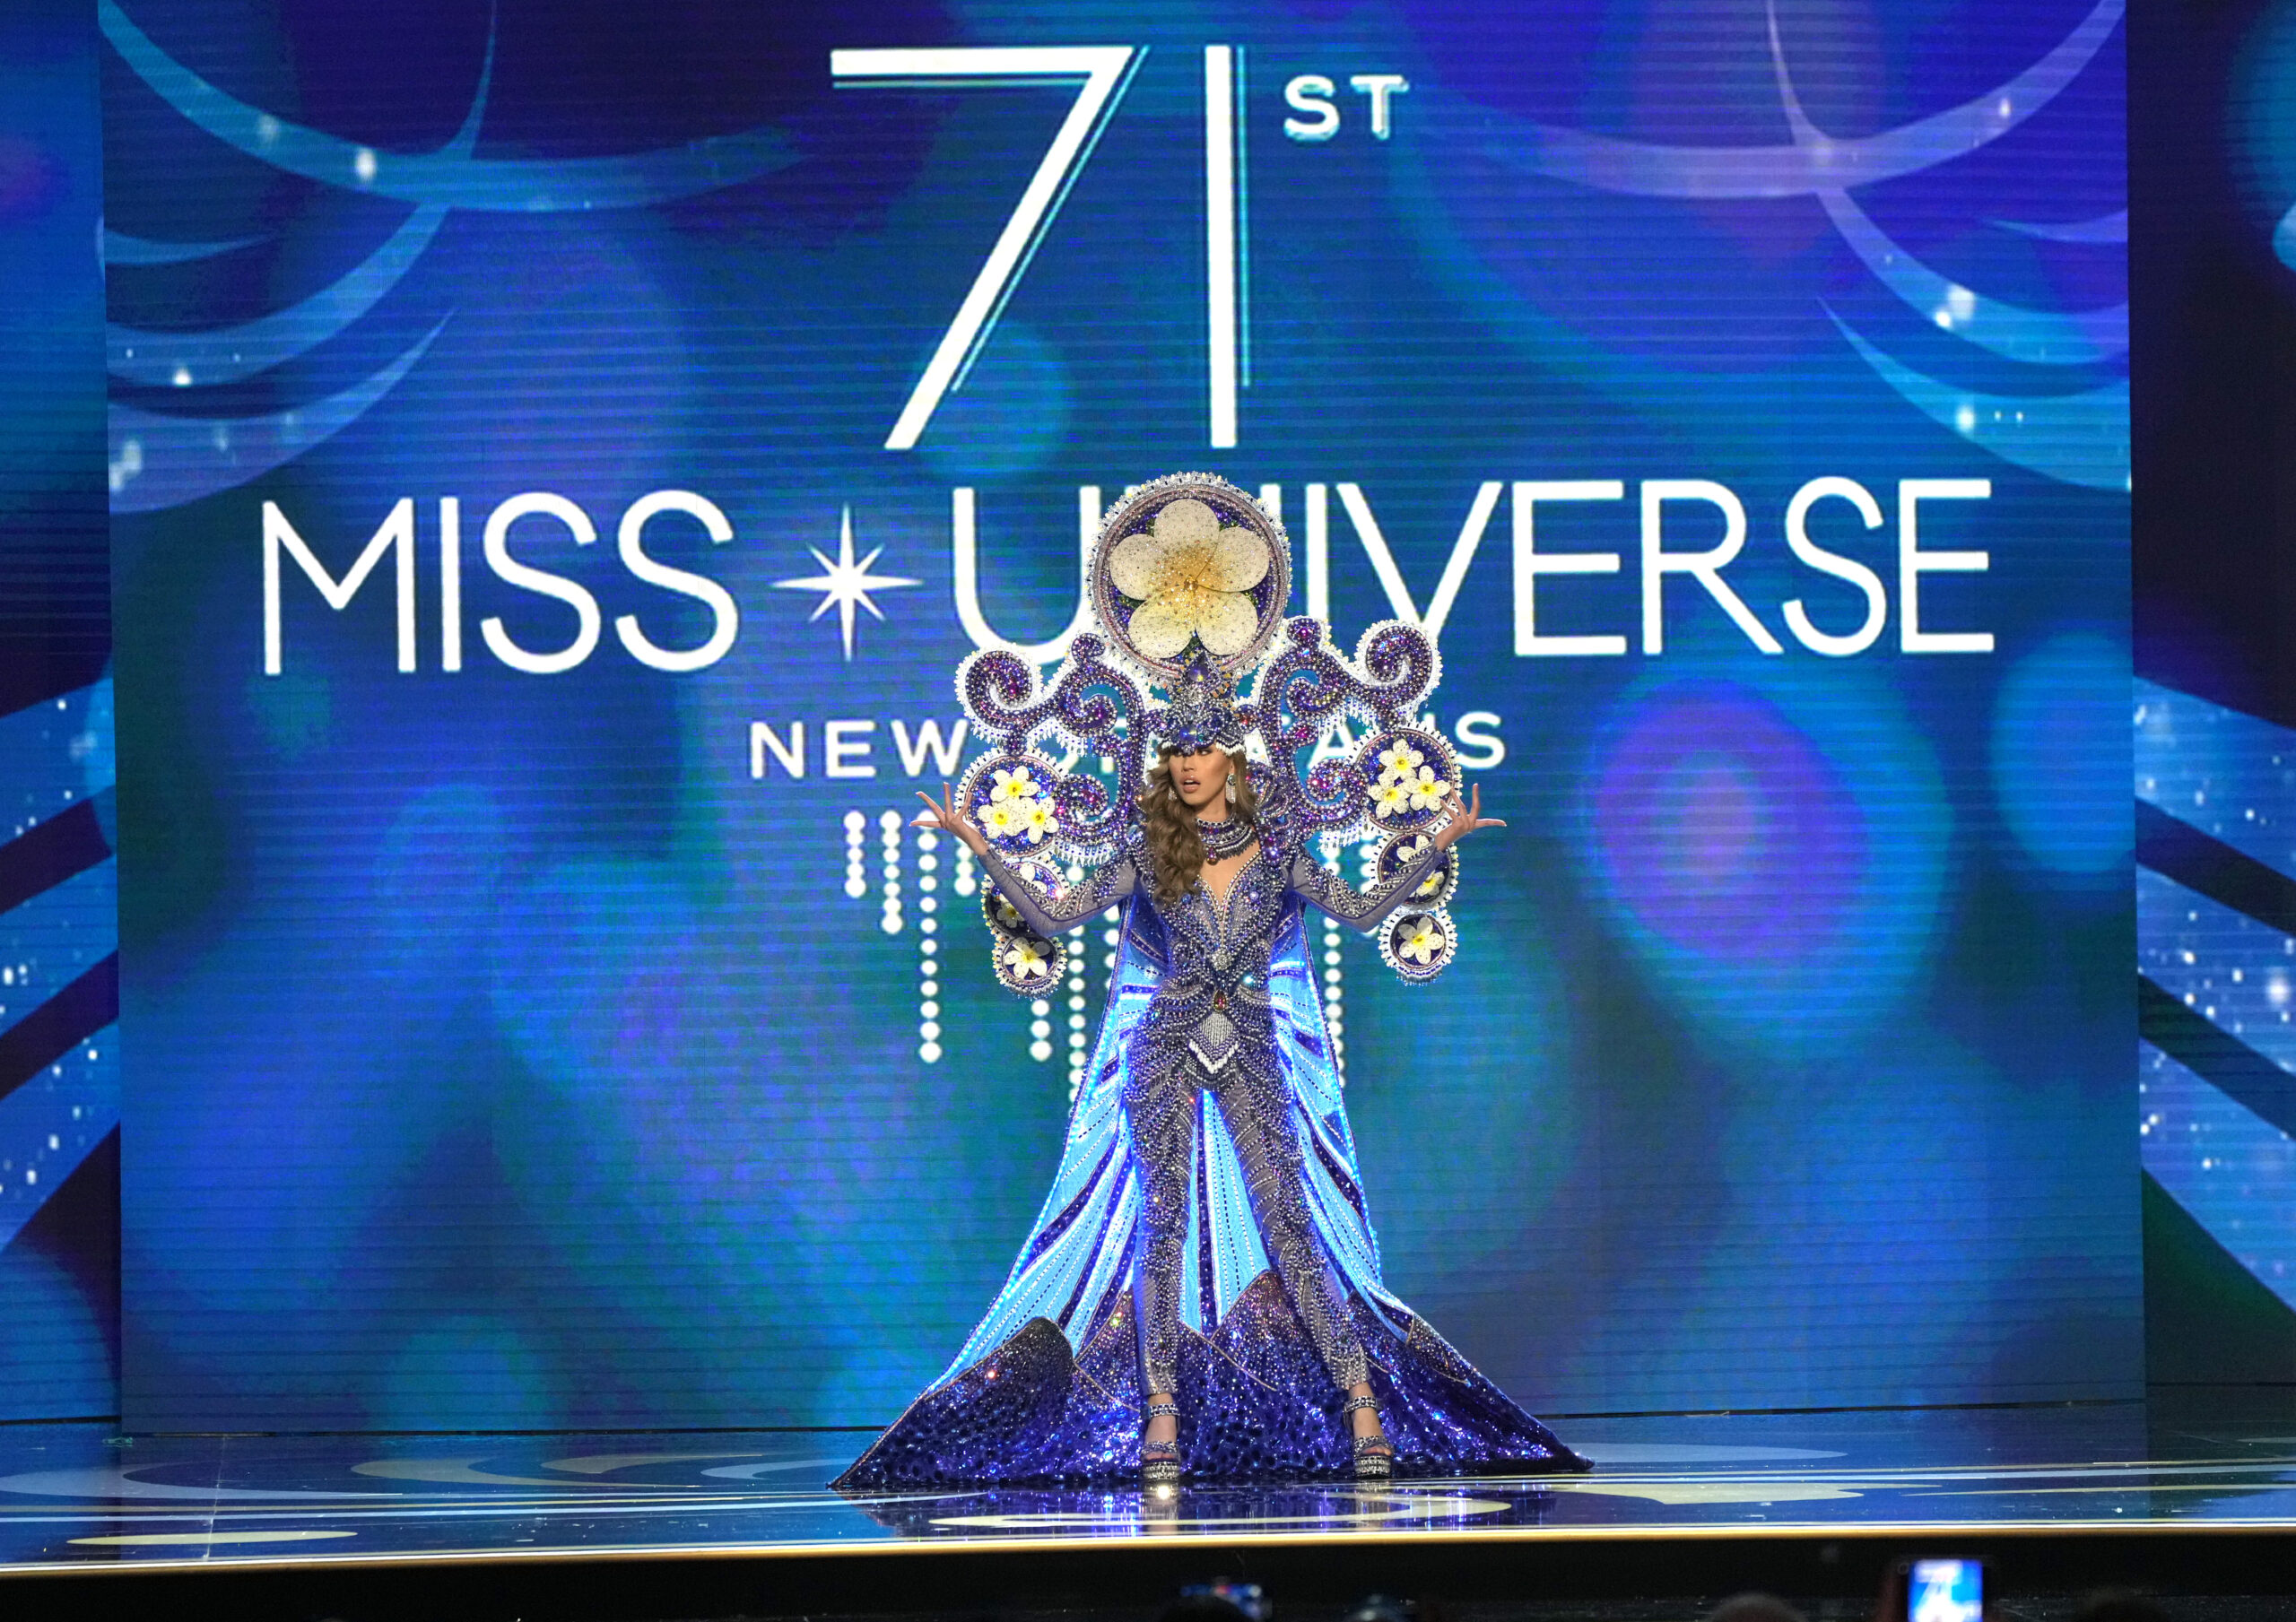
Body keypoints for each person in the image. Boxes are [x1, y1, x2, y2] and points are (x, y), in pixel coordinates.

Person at [831, 473, 1585, 1490]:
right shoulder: (1147, 855)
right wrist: (978, 844)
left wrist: (1437, 845)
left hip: (1256, 1047)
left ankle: (1364, 1409)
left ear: (1231, 756)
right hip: (1167, 1042)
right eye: (1175, 751)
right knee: (1162, 1227)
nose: (1187, 765)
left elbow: (1361, 916)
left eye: (1202, 750)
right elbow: (1055, 918)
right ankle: (1159, 1424)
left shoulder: (1278, 852)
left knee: (1290, 1226)